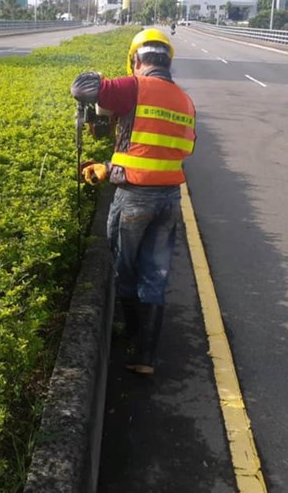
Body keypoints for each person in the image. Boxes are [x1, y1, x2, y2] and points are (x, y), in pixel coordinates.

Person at [70, 28, 196, 375]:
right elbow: (173, 151)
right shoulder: (185, 100)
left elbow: (80, 88)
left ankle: (131, 334)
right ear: (168, 61)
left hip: (134, 199)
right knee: (156, 273)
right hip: (170, 199)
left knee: (125, 269)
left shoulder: (133, 87)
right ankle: (146, 356)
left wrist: (97, 75)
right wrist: (112, 162)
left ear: (136, 59)